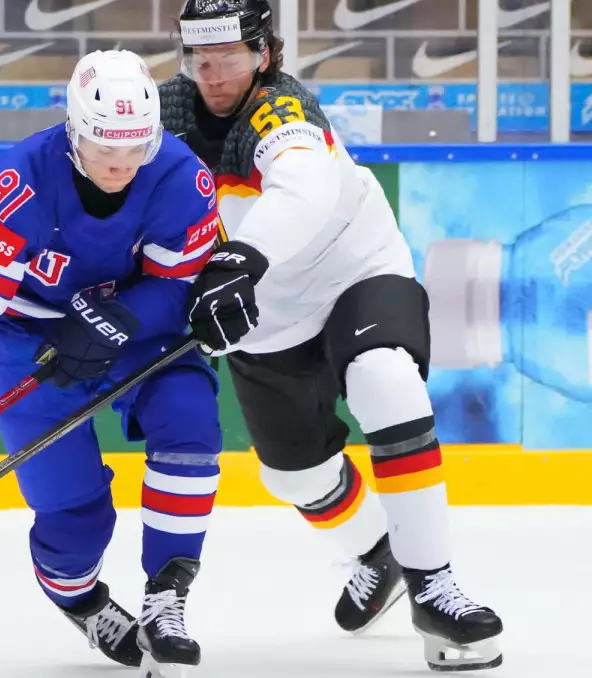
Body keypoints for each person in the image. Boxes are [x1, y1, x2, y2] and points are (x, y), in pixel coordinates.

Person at [158, 0, 503, 672]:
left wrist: (239, 258)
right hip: (265, 313)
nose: (213, 73)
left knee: (385, 378)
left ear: (264, 54)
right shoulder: (165, 113)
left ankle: (434, 584)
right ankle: (379, 551)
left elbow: (304, 191)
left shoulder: (282, 110)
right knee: (295, 477)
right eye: (199, 58)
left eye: (230, 56)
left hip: (354, 270)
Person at [0, 49, 223, 678]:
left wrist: (123, 316)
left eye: (136, 148)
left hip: (137, 333)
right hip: (27, 342)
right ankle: (80, 598)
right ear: (73, 131)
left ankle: (167, 595)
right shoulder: (18, 184)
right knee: (76, 519)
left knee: (189, 422)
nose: (121, 165)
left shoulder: (180, 176)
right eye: (104, 147)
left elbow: (179, 286)